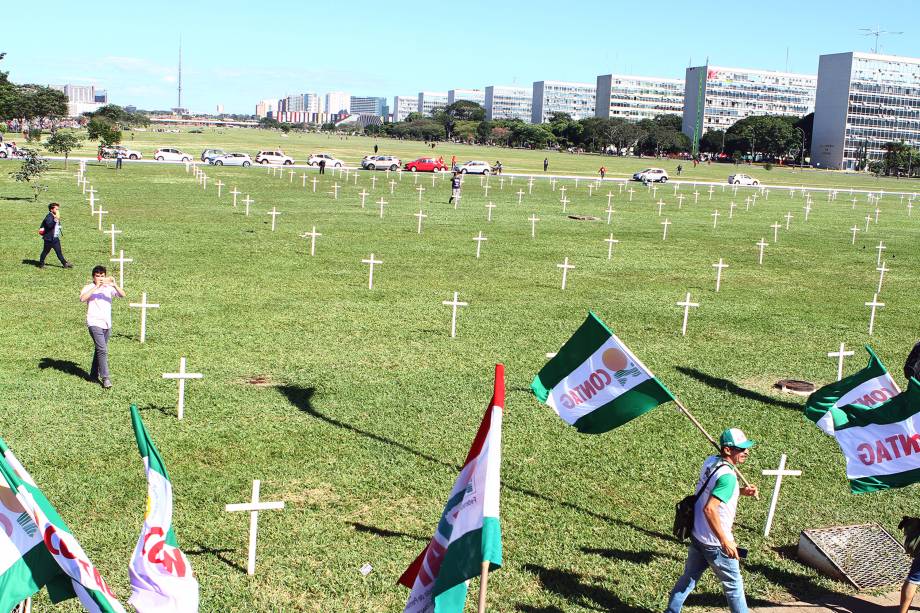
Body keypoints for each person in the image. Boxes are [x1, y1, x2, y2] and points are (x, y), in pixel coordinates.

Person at [665, 428, 759, 613]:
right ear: (727, 450)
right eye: (741, 449)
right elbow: (710, 509)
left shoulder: (711, 462)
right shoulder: (728, 477)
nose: (746, 452)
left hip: (697, 535)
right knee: (734, 587)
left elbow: (711, 489)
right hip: (715, 543)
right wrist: (725, 541)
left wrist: (740, 491)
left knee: (689, 578)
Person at [79, 265, 126, 389]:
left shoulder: (108, 288)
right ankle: (106, 378)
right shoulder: (89, 287)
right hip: (94, 322)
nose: (100, 278)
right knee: (103, 350)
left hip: (107, 323)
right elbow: (82, 298)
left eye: (102, 275)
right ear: (93, 277)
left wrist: (114, 284)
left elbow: (122, 295)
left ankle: (93, 375)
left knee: (100, 349)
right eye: (97, 276)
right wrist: (96, 287)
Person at [38, 202, 73, 269]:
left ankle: (65, 264)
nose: (58, 211)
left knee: (59, 252)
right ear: (51, 210)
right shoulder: (48, 217)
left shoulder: (54, 216)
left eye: (58, 209)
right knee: (45, 252)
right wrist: (56, 219)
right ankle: (41, 264)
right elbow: (49, 225)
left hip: (55, 238)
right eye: (56, 209)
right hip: (49, 239)